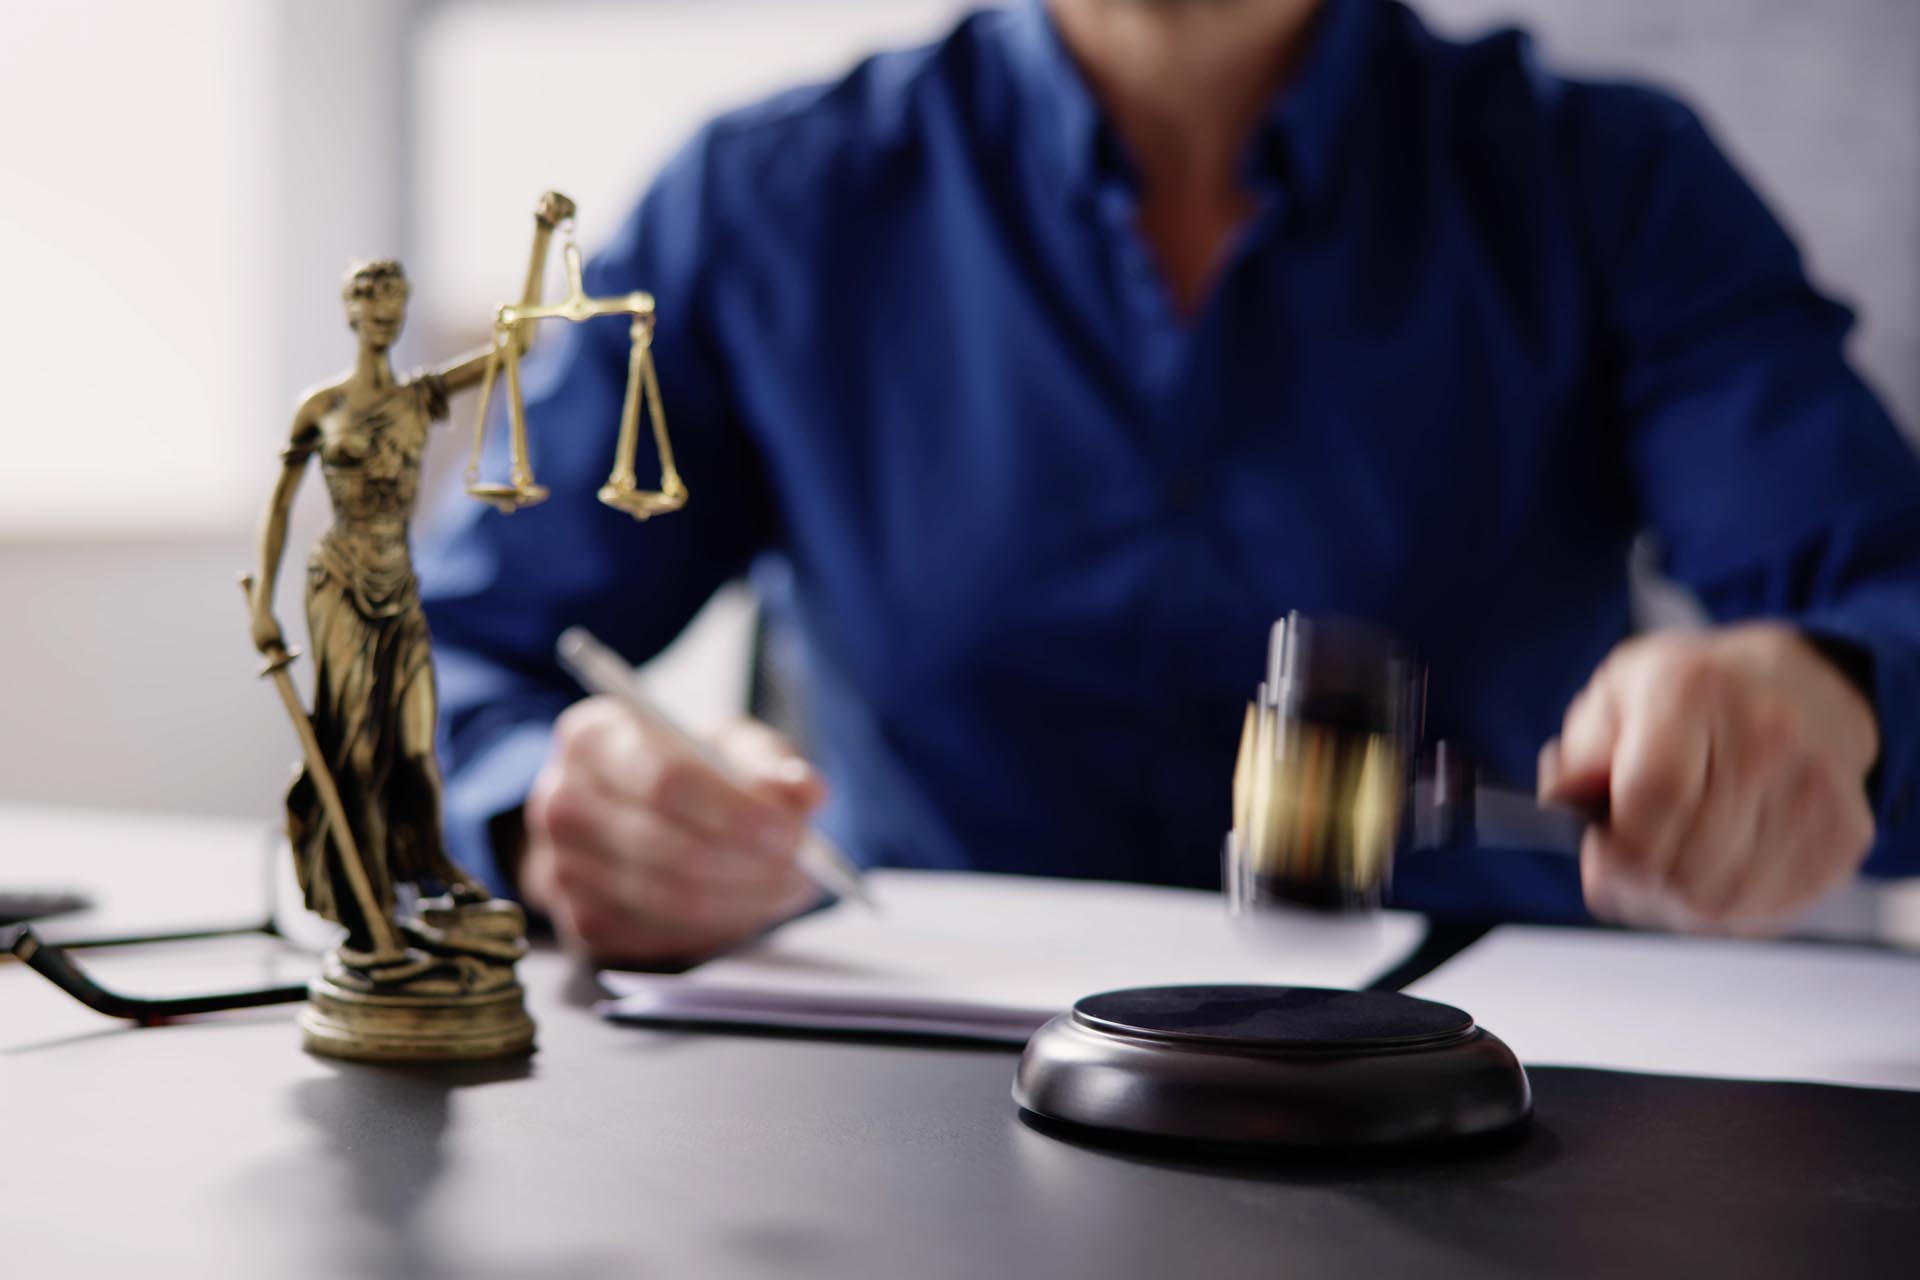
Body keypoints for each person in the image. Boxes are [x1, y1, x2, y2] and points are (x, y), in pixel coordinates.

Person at [420, 0, 1920, 962]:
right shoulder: (762, 207)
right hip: (914, 1086)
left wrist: (1830, 695)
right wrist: (544, 808)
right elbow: (443, 655)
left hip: (1502, 1097)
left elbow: (1884, 597)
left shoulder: (1607, 181)